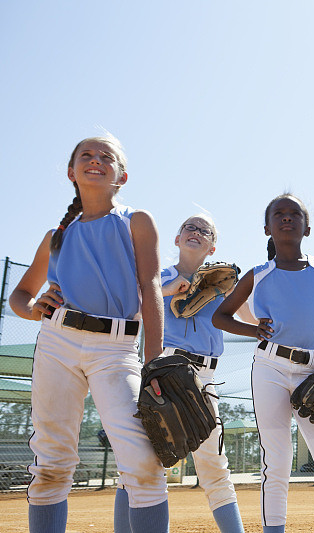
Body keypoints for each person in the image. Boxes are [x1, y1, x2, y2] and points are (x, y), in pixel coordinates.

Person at [9, 136, 169, 533]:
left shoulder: (136, 220)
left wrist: (155, 363)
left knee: (142, 458)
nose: (95, 160)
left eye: (106, 157)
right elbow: (20, 295)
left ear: (122, 176)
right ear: (71, 172)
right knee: (51, 461)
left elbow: (150, 287)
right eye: (86, 155)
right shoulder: (57, 235)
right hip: (57, 344)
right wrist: (32, 309)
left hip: (116, 349)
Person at [213, 194, 314, 533]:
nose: (287, 218)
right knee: (275, 461)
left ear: (307, 227)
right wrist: (252, 329)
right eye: (279, 214)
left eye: (295, 214)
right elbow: (220, 316)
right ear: (267, 228)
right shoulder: (257, 274)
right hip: (270, 368)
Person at [160, 213, 245, 533]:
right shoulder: (158, 278)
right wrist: (167, 290)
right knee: (145, 464)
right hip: (165, 370)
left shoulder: (220, 286)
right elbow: (137, 304)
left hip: (205, 378)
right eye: (189, 227)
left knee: (213, 467)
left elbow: (254, 314)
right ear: (177, 239)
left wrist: (244, 284)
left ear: (212, 248)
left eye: (204, 231)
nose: (195, 232)